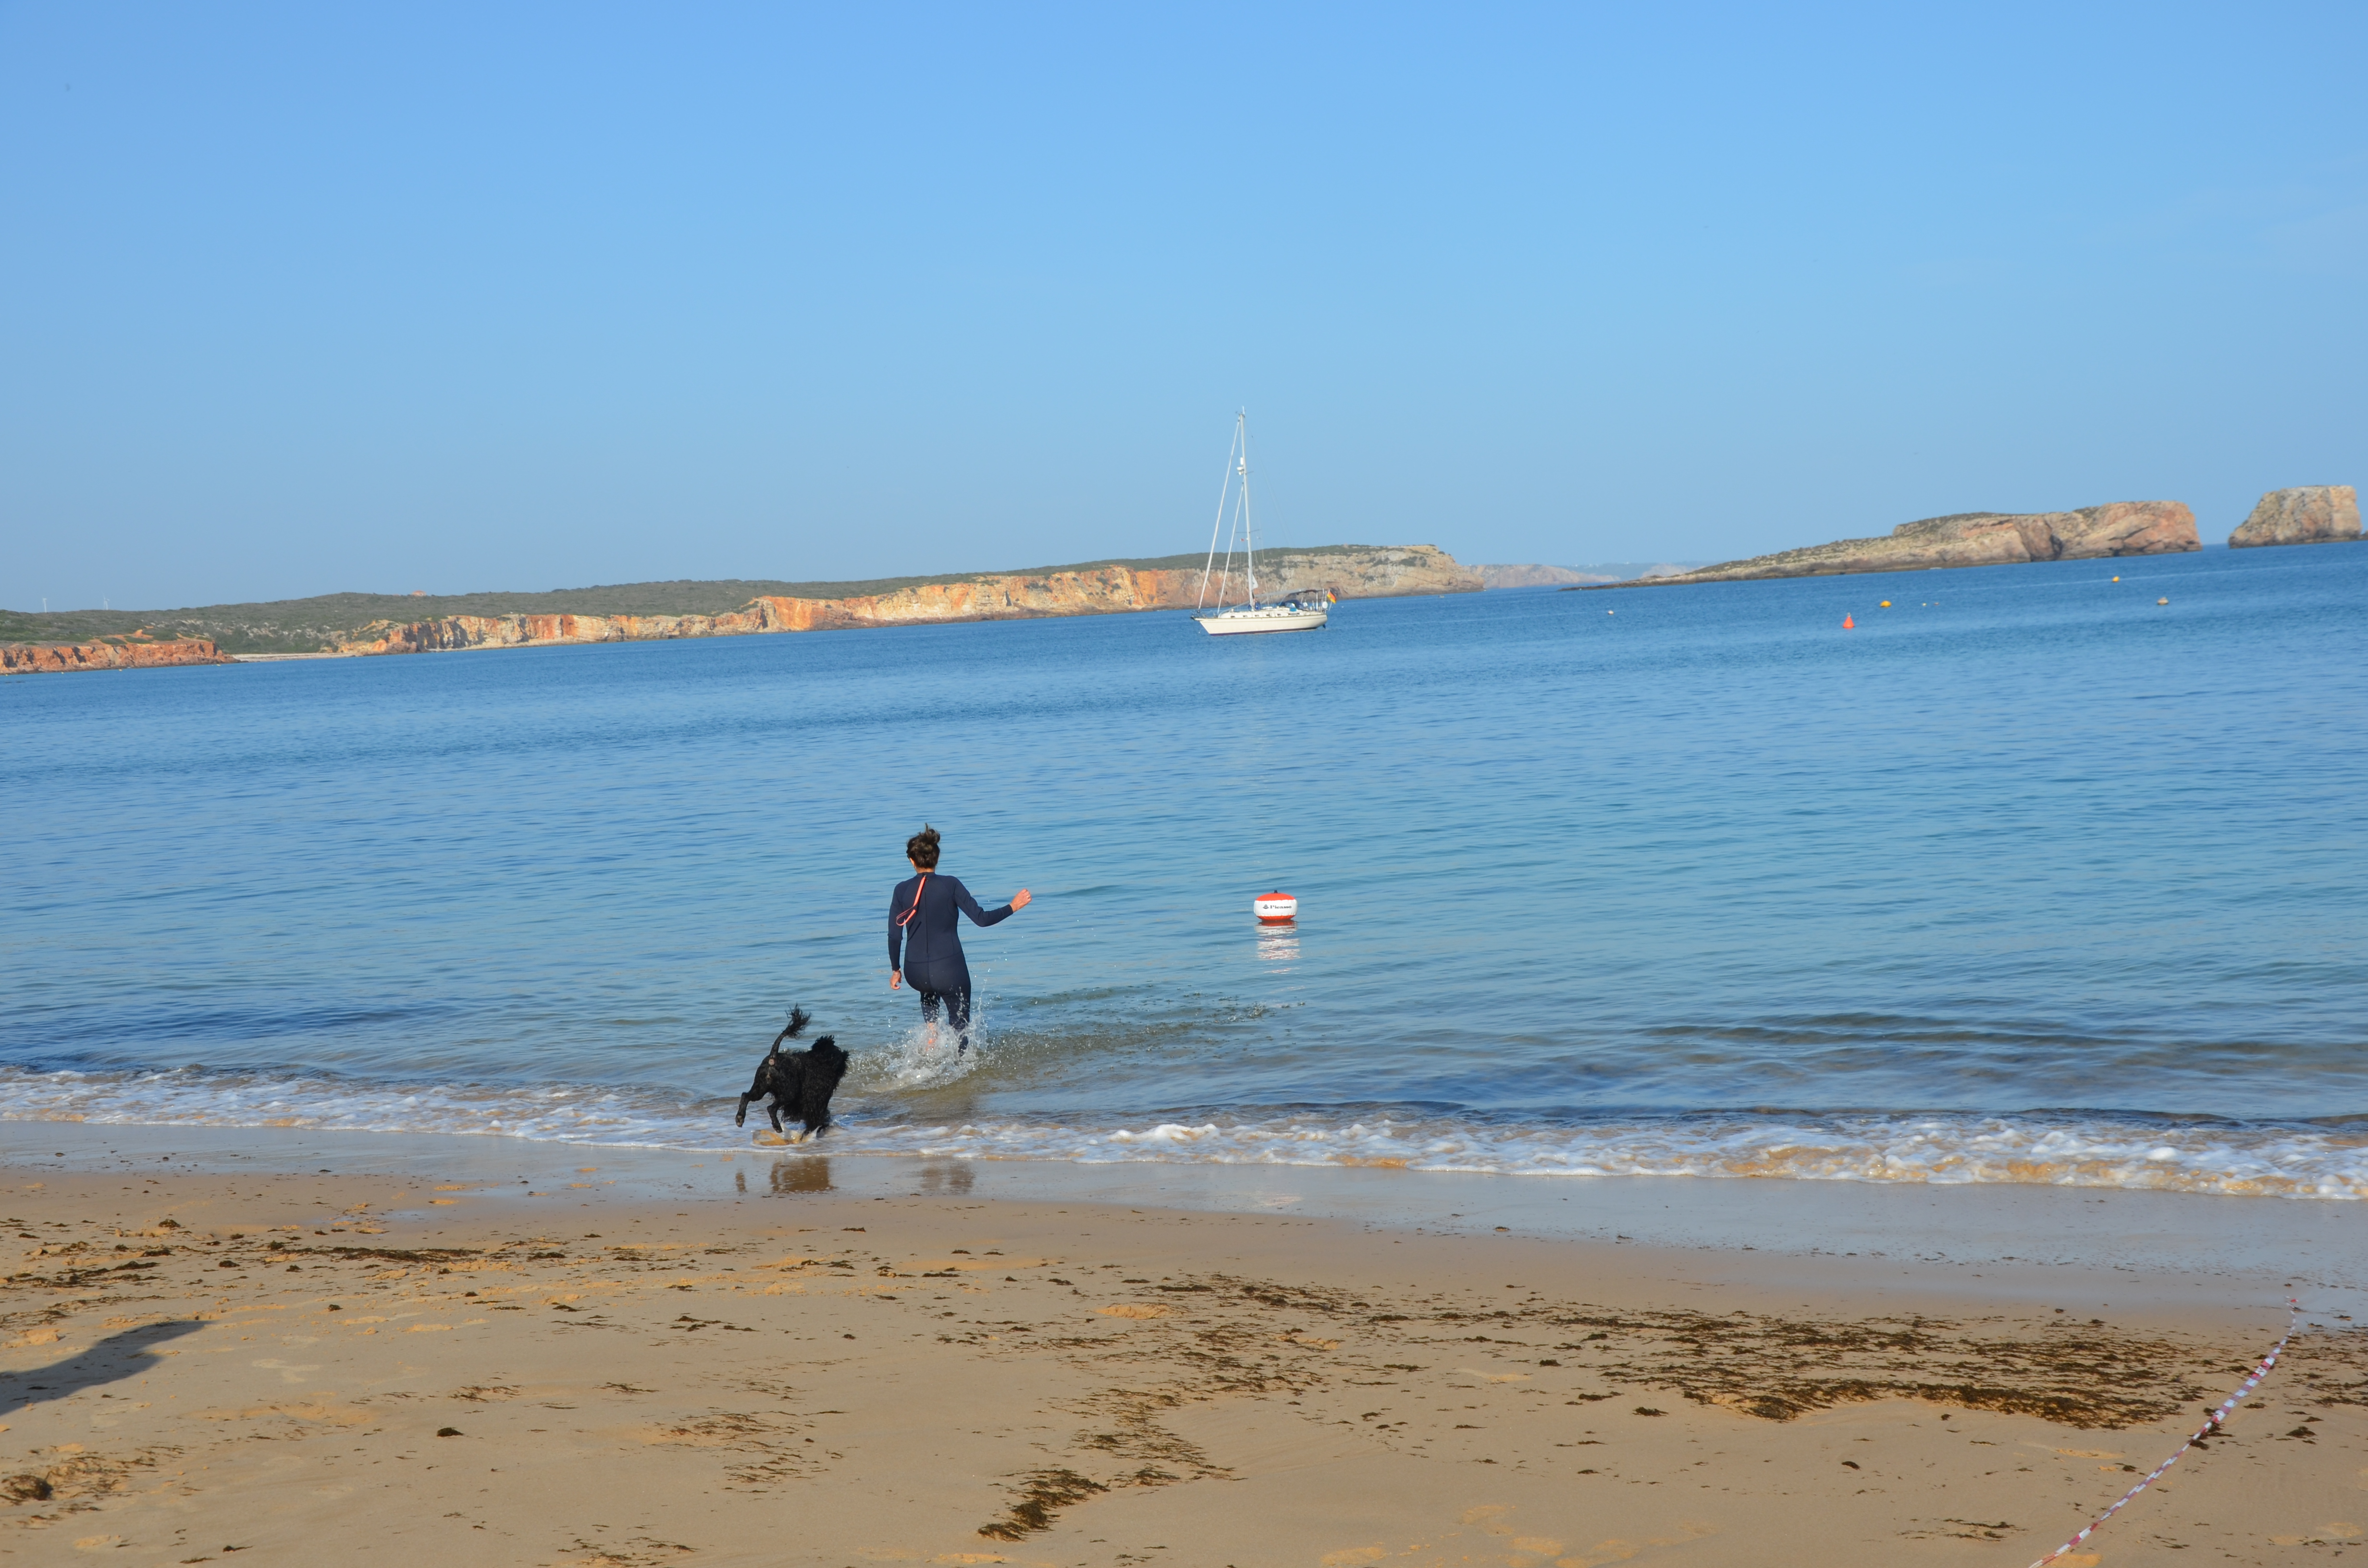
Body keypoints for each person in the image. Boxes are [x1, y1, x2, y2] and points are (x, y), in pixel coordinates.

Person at [888, 825, 1030, 1052]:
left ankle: (932, 1033)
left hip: (915, 974)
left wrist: (896, 970)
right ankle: (961, 1064)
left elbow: (895, 936)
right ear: (937, 857)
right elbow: (982, 919)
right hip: (949, 971)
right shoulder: (950, 884)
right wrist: (1013, 906)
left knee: (928, 986)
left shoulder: (900, 890)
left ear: (912, 861)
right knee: (960, 1026)